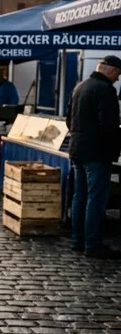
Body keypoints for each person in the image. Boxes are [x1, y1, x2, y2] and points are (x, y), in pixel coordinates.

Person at [66, 55, 121, 259]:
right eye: (118, 75)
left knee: (80, 196)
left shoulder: (80, 86)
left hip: (77, 149)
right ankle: (93, 243)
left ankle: (77, 240)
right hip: (97, 152)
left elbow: (68, 119)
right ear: (112, 71)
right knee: (96, 199)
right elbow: (109, 125)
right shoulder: (106, 90)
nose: (117, 79)